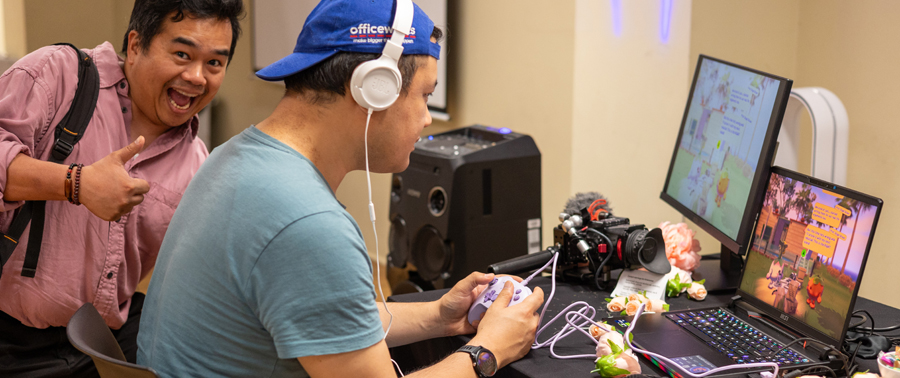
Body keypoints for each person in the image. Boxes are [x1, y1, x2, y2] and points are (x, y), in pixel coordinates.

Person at [137, 0, 545, 377]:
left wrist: (439, 315)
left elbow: (325, 320)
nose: (425, 119)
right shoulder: (308, 224)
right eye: (424, 95)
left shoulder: (234, 156)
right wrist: (488, 350)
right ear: (373, 88)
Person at [0, 1, 244, 376]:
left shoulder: (196, 162)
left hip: (96, 345)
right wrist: (75, 183)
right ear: (135, 45)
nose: (197, 76)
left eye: (214, 63)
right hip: (9, 340)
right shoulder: (59, 75)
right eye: (182, 54)